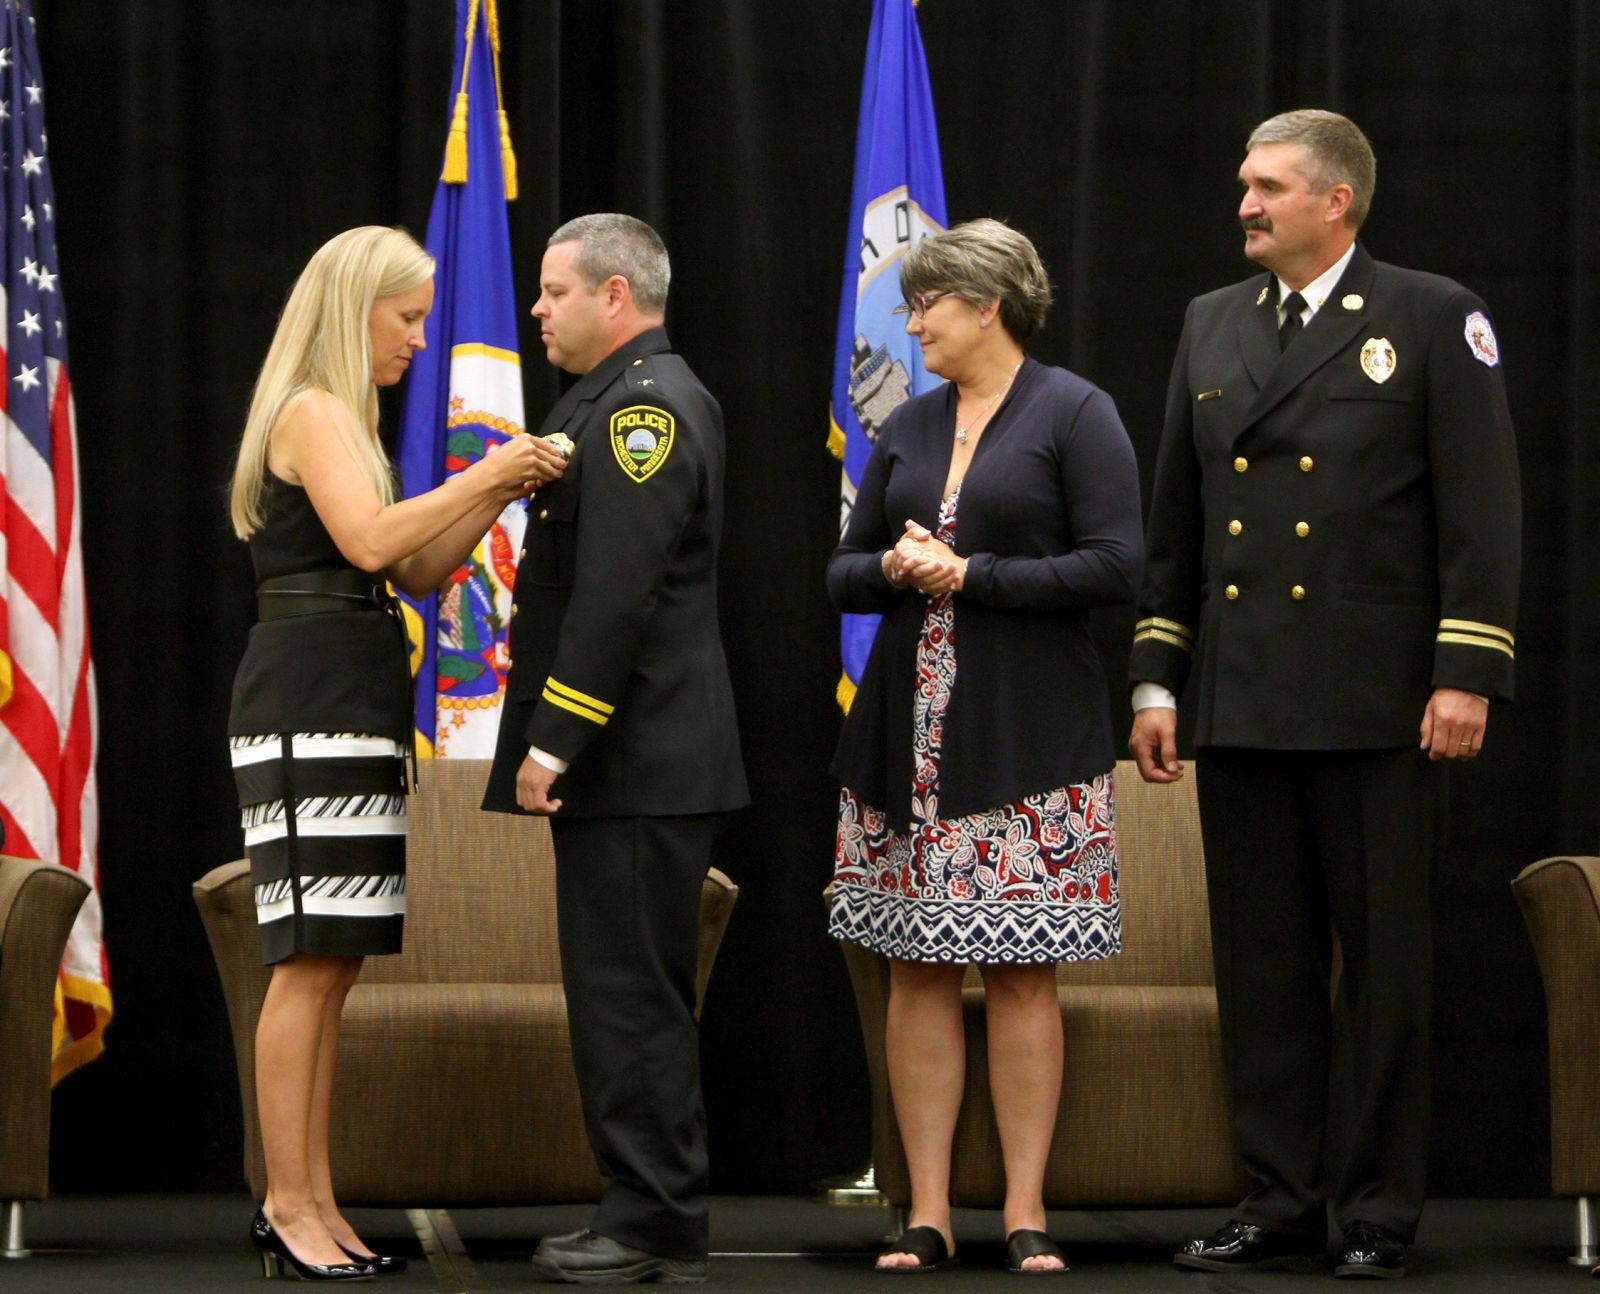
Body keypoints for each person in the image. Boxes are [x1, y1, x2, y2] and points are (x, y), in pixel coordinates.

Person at [1128, 110, 1520, 1280]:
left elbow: (1482, 510)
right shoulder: (1209, 323)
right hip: (1243, 696)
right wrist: (1157, 673)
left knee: (1386, 967)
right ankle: (1280, 1195)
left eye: (1267, 186)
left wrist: (1465, 673)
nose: (1242, 203)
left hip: (1375, 701)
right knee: (1262, 969)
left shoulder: (1430, 314)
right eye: (1242, 183)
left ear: (1334, 201)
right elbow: (1176, 521)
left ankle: (1380, 1208)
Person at [227, 226, 562, 1282]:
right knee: (304, 959)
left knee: (337, 963)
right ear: (353, 307)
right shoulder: (313, 410)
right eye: (406, 317)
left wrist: (496, 491)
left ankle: (316, 1198)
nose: (420, 339)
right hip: (306, 701)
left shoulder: (350, 420)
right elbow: (372, 541)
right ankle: (285, 1203)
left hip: (352, 694)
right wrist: (490, 469)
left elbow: (413, 569)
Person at [827, 218, 1144, 1275]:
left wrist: (976, 576)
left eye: (927, 305)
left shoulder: (1074, 411)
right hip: (901, 743)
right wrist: (897, 566)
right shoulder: (908, 425)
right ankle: (925, 1212)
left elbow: (1114, 565)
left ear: (986, 307)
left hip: (1029, 739)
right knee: (916, 969)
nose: (911, 323)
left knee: (1020, 975)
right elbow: (841, 569)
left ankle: (1022, 1210)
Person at [482, 213, 748, 1285]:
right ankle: (642, 1205)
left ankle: (651, 1218)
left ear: (616, 298)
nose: (537, 309)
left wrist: (556, 738)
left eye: (553, 292)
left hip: (637, 754)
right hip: (637, 756)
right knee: (617, 991)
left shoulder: (642, 411)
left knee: (630, 996)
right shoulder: (607, 400)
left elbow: (616, 597)